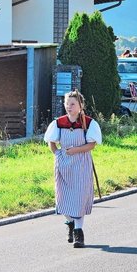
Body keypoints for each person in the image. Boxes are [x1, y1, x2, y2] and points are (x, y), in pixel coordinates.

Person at [44, 90, 102, 248]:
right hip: (64, 165)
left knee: (79, 198)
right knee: (62, 198)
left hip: (81, 164)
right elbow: (51, 142)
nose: (69, 107)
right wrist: (58, 154)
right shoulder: (58, 123)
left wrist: (75, 150)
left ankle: (78, 232)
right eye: (67, 103)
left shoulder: (88, 123)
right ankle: (70, 222)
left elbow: (92, 145)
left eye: (72, 104)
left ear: (80, 106)